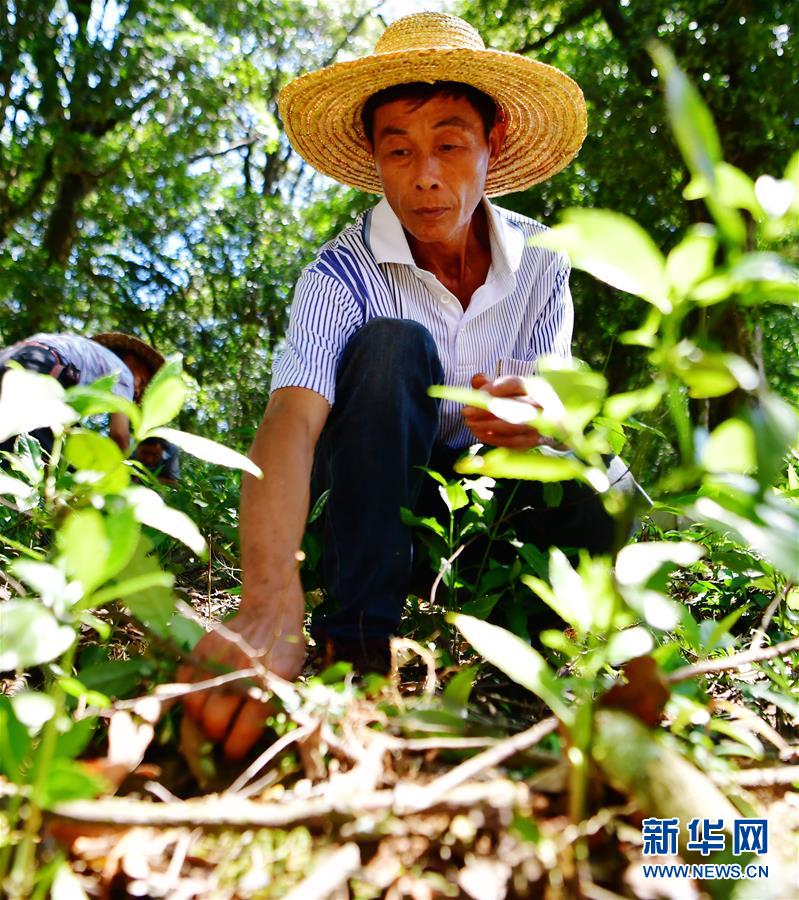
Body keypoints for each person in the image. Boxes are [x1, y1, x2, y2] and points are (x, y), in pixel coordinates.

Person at [180, 12, 638, 760]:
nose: (424, 175)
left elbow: (558, 384)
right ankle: (355, 648)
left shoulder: (545, 262)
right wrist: (266, 599)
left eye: (449, 145)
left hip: (481, 510)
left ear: (491, 146)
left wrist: (544, 414)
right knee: (394, 348)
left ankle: (524, 658)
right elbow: (292, 422)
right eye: (399, 150)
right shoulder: (340, 273)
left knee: (604, 480)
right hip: (370, 503)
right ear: (375, 160)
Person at [0, 331, 164, 454]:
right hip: (44, 368)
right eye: (141, 383)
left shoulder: (89, 353)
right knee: (60, 457)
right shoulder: (124, 373)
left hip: (12, 356)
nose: (136, 392)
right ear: (131, 359)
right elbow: (120, 436)